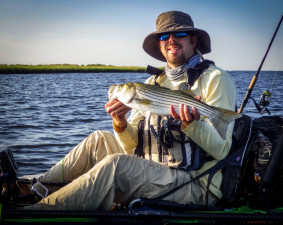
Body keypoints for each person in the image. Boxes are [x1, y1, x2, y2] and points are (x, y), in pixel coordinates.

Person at [25, 10, 236, 210]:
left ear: (193, 40)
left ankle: (37, 212)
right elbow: (132, 147)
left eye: (179, 33)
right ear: (160, 45)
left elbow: (222, 150)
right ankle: (34, 190)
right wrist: (121, 123)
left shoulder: (216, 79)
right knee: (98, 138)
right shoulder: (152, 82)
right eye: (164, 36)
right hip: (154, 171)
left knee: (116, 165)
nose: (171, 39)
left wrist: (193, 124)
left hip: (195, 185)